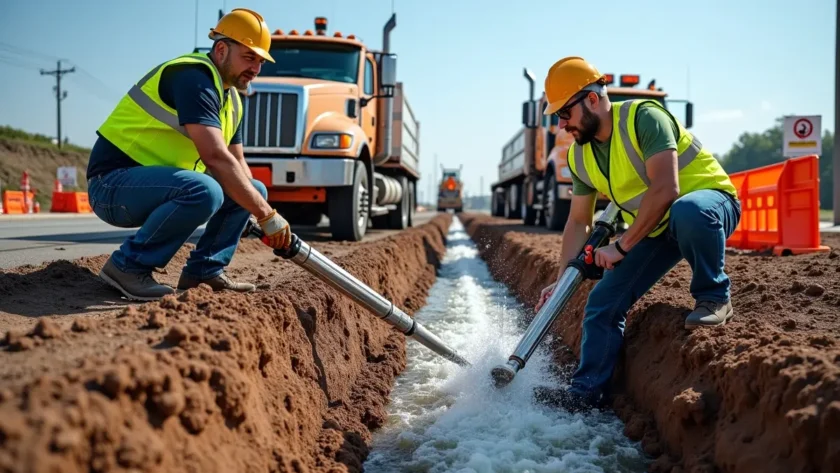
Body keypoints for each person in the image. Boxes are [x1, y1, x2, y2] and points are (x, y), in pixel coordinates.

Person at [533, 57, 741, 412]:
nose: (561, 124)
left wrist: (621, 246)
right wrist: (561, 279)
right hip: (657, 227)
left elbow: (666, 188)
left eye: (565, 113)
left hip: (708, 207)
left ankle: (714, 297)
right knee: (602, 303)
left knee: (688, 211)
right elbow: (578, 221)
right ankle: (587, 392)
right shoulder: (580, 156)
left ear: (592, 99)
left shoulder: (644, 117)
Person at [86, 8, 292, 301]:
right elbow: (215, 157)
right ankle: (127, 267)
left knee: (253, 189)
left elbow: (237, 164)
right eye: (249, 57)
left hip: (155, 187)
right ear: (221, 50)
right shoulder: (192, 77)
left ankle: (204, 271)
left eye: (260, 61)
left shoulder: (232, 99)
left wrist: (251, 208)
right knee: (205, 190)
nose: (256, 69)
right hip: (111, 186)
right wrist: (267, 215)